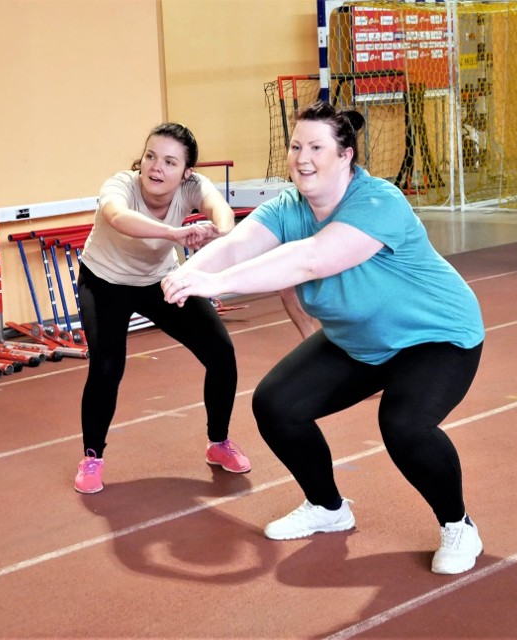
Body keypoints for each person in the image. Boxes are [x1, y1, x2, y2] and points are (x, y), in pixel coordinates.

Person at [161, 101, 486, 575]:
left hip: (436, 338)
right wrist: (188, 273)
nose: (303, 157)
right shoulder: (291, 207)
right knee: (276, 404)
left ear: (345, 156)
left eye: (317, 147)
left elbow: (311, 260)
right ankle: (328, 508)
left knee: (404, 424)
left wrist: (214, 284)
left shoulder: (378, 203)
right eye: (296, 146)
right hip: (361, 341)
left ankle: (458, 524)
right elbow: (236, 244)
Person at [74, 122, 251, 494]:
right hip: (105, 281)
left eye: (170, 162)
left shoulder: (194, 187)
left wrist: (216, 232)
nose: (156, 167)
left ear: (187, 172)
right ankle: (92, 457)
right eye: (151, 156)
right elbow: (118, 218)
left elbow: (223, 213)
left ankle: (218, 443)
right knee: (107, 367)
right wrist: (174, 234)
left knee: (221, 352)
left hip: (159, 280)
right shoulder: (120, 185)